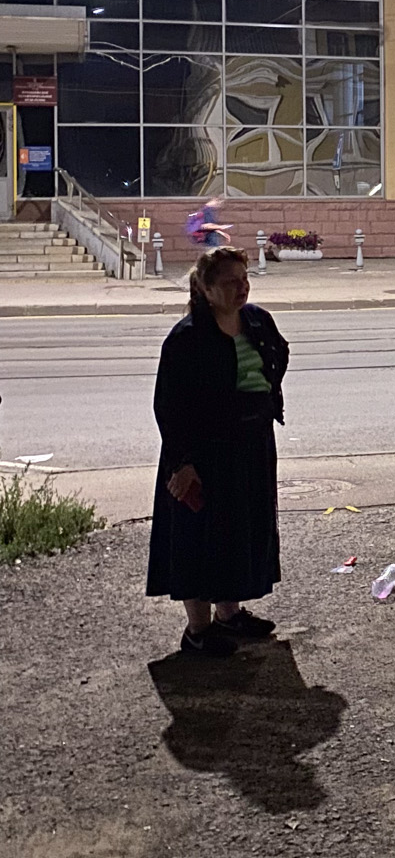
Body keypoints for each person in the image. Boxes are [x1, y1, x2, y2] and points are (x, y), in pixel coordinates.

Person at [147, 245, 290, 656]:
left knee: (238, 531)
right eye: (230, 283)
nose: (241, 288)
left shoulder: (257, 321)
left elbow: (279, 353)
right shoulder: (187, 338)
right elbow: (168, 406)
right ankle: (198, 630)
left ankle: (230, 613)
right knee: (198, 535)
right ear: (206, 290)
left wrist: (265, 400)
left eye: (244, 280)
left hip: (249, 447)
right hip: (202, 454)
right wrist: (182, 463)